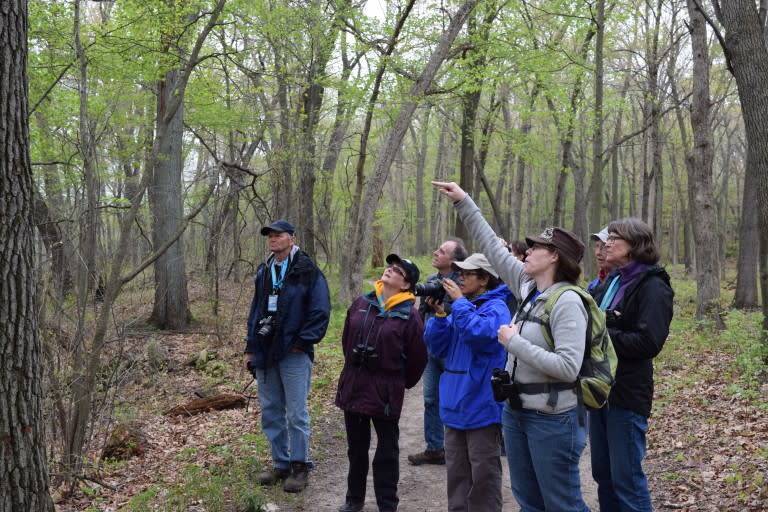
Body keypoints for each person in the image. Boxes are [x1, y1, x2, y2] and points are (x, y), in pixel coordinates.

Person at [433, 180, 591, 512]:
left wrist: (514, 343)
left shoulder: (567, 302)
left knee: (561, 503)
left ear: (554, 258)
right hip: (517, 413)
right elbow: (492, 246)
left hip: (553, 418)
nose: (526, 251)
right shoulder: (527, 287)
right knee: (529, 501)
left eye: (535, 248)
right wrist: (464, 201)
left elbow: (568, 367)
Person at [588, 218, 673, 512]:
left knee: (627, 480)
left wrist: (603, 336)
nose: (607, 243)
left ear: (636, 246)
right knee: (603, 474)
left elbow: (649, 342)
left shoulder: (653, 285)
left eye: (615, 238)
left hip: (626, 393)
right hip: (598, 389)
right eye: (607, 237)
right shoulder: (613, 280)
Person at [243, 220, 331, 493]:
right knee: (270, 410)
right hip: (266, 350)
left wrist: (300, 342)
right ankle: (280, 464)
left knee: (296, 412)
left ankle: (300, 465)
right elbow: (256, 311)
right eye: (269, 235)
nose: (272, 239)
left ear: (292, 238)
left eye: (278, 235)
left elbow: (320, 312)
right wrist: (249, 347)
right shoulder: (264, 270)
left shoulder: (307, 270)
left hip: (293, 352)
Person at [335, 254, 428, 512]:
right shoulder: (361, 303)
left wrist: (397, 382)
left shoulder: (410, 316)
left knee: (387, 451)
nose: (390, 270)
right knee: (356, 448)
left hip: (386, 393)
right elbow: (346, 341)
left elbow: (418, 359)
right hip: (354, 386)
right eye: (390, 266)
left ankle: (387, 504)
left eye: (398, 270)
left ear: (406, 284)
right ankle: (354, 500)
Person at [423, 253, 510, 512]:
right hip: (454, 404)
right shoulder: (463, 307)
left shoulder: (497, 308)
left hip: (480, 404)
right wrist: (440, 316)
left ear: (484, 279)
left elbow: (480, 335)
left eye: (467, 274)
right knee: (457, 475)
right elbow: (437, 347)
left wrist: (459, 303)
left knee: (483, 476)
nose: (460, 278)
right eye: (459, 273)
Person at [408, 238, 467, 466]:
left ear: (453, 261)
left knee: (456, 400)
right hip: (432, 351)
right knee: (430, 399)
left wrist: (447, 304)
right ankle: (435, 448)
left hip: (453, 351)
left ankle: (460, 450)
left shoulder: (462, 283)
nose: (435, 252)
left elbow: (465, 312)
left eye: (441, 251)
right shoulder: (432, 281)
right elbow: (422, 314)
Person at [587, 227, 611, 292]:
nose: (598, 252)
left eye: (604, 247)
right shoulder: (592, 286)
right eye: (597, 246)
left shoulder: (623, 284)